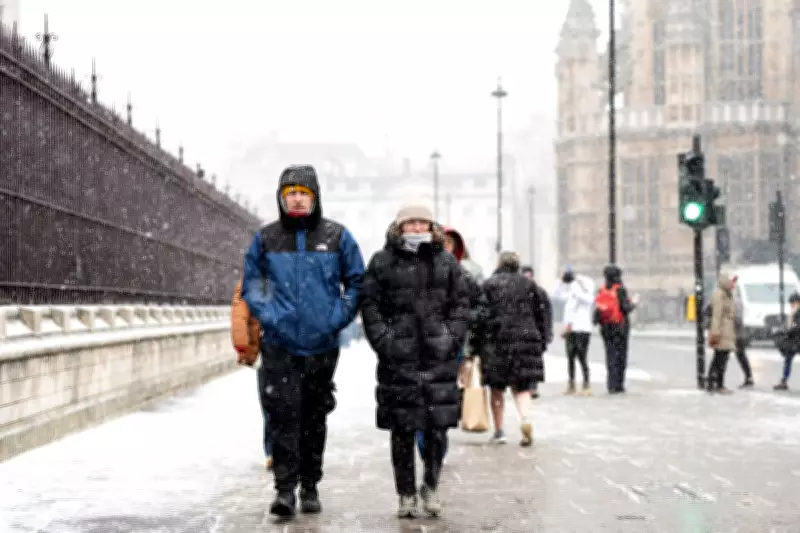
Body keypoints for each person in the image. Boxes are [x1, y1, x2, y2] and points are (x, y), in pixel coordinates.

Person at [241, 165, 365, 518]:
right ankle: (284, 490)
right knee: (283, 414)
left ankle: (310, 485)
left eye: (303, 193)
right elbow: (253, 282)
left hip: (321, 344)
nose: (296, 198)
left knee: (313, 415)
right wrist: (271, 315)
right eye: (290, 192)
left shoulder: (337, 237)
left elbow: (356, 282)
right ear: (282, 198)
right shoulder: (266, 239)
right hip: (280, 343)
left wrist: (336, 317)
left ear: (314, 197)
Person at [360, 204, 471, 518]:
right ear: (400, 227)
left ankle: (431, 486)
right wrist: (385, 340)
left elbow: (462, 305)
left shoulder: (446, 262)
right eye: (410, 222)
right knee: (402, 431)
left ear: (431, 225)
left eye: (422, 221)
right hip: (399, 361)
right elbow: (370, 305)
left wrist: (450, 338)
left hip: (438, 358)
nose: (417, 227)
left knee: (437, 429)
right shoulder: (382, 262)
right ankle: (406, 494)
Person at [416, 226, 484, 460]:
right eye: (442, 242)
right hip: (417, 344)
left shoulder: (462, 274)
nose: (445, 246)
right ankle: (425, 442)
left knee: (442, 395)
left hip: (449, 345)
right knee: (419, 395)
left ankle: (437, 442)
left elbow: (480, 307)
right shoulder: (417, 270)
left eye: (450, 243)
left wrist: (458, 326)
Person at [475, 252, 547, 446]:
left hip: (496, 341)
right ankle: (525, 418)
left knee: (497, 388)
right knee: (522, 386)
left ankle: (499, 431)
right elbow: (541, 314)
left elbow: (480, 317)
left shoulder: (489, 285)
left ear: (499, 264)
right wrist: (541, 340)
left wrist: (475, 344)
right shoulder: (530, 285)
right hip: (526, 339)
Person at [231, 278, 273, 470]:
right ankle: (289, 448)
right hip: (289, 345)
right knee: (291, 400)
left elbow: (240, 312)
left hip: (266, 347)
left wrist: (243, 347)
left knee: (269, 402)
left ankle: (273, 451)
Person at [552, 267, 594, 395]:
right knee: (570, 358)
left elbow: (586, 299)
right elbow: (556, 295)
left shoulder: (585, 296)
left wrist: (577, 284)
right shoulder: (571, 295)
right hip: (570, 329)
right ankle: (571, 385)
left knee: (582, 357)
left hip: (582, 329)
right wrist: (560, 281)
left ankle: (586, 385)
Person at [593, 264, 635, 394]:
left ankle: (611, 383)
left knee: (610, 355)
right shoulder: (620, 289)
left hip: (606, 327)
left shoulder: (602, 290)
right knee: (620, 356)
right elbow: (625, 308)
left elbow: (598, 311)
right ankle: (619, 384)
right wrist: (634, 303)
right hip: (620, 327)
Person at [520, 265, 553, 397]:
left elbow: (547, 314)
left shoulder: (540, 292)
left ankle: (532, 386)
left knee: (534, 361)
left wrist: (547, 332)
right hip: (524, 332)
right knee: (525, 361)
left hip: (536, 332)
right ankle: (526, 385)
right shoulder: (519, 292)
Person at [707, 273, 737, 394]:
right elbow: (716, 315)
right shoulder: (720, 296)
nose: (733, 285)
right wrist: (715, 332)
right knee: (720, 358)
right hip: (722, 332)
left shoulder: (726, 295)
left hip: (726, 331)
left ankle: (713, 382)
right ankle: (717, 384)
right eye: (731, 283)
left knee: (720, 358)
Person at [774, 292, 800, 390]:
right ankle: (784, 381)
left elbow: (796, 327)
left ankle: (784, 381)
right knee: (788, 358)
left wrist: (787, 331)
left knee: (788, 358)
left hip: (796, 341)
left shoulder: (797, 313)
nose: (791, 305)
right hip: (795, 341)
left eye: (793, 303)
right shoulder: (795, 312)